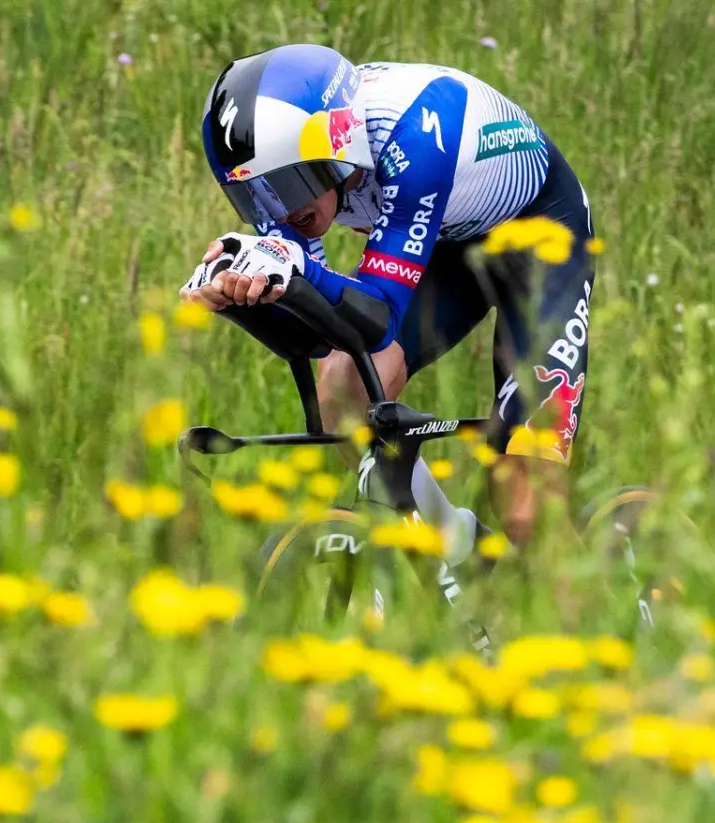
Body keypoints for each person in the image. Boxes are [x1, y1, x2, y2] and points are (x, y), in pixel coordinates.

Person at [179, 43, 595, 563]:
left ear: (338, 144)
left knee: (524, 502)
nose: (277, 210)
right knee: (343, 386)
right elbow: (319, 337)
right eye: (254, 197)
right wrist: (241, 297)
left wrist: (299, 270)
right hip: (445, 244)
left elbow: (378, 320)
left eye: (286, 185)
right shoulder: (283, 169)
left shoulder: (415, 136)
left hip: (543, 241)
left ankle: (623, 626)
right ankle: (460, 561)